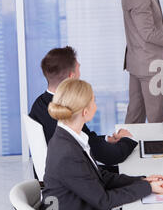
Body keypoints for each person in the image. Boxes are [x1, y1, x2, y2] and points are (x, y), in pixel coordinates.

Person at [39, 78, 163, 210]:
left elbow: (98, 176)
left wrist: (143, 180)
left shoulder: (68, 137)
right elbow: (104, 200)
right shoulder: (67, 153)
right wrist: (148, 188)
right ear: (85, 112)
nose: (96, 105)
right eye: (93, 101)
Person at [29, 46, 136, 174]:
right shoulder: (65, 110)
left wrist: (107, 139)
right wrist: (128, 140)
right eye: (79, 69)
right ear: (71, 77)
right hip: (72, 179)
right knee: (134, 171)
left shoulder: (41, 103)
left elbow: (86, 139)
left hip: (62, 172)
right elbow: (110, 156)